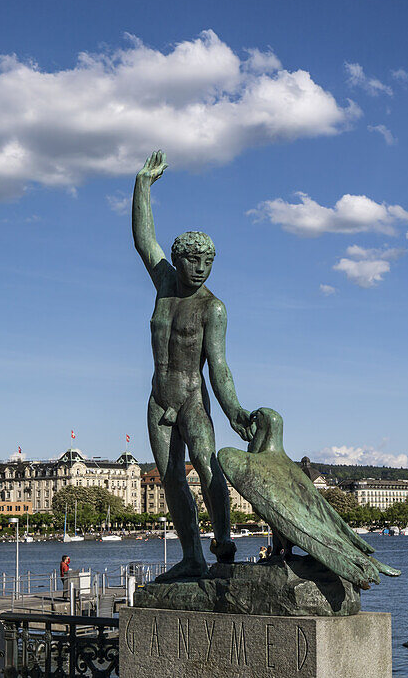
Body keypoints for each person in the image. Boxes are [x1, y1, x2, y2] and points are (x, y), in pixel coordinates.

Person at [132, 150, 254, 582]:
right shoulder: (164, 284)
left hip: (191, 400)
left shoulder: (212, 309)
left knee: (207, 464)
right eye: (192, 260)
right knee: (171, 480)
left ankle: (222, 540)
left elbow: (218, 366)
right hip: (158, 400)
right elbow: (144, 240)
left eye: (208, 262)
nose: (200, 269)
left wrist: (235, 410)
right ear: (177, 259)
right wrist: (142, 184)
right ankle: (191, 556)